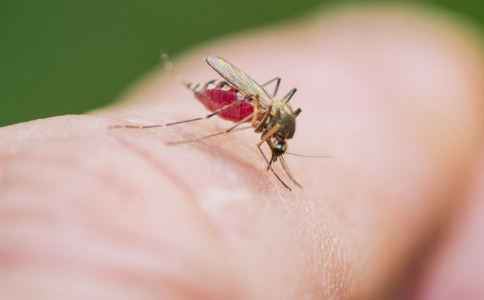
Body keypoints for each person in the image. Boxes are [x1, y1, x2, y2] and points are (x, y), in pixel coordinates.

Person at [1, 4, 483, 299]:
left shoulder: (277, 125)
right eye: (276, 142)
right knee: (219, 120)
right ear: (278, 130)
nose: (274, 147)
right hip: (234, 95)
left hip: (252, 101)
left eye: (276, 143)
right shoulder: (269, 117)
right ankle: (188, 124)